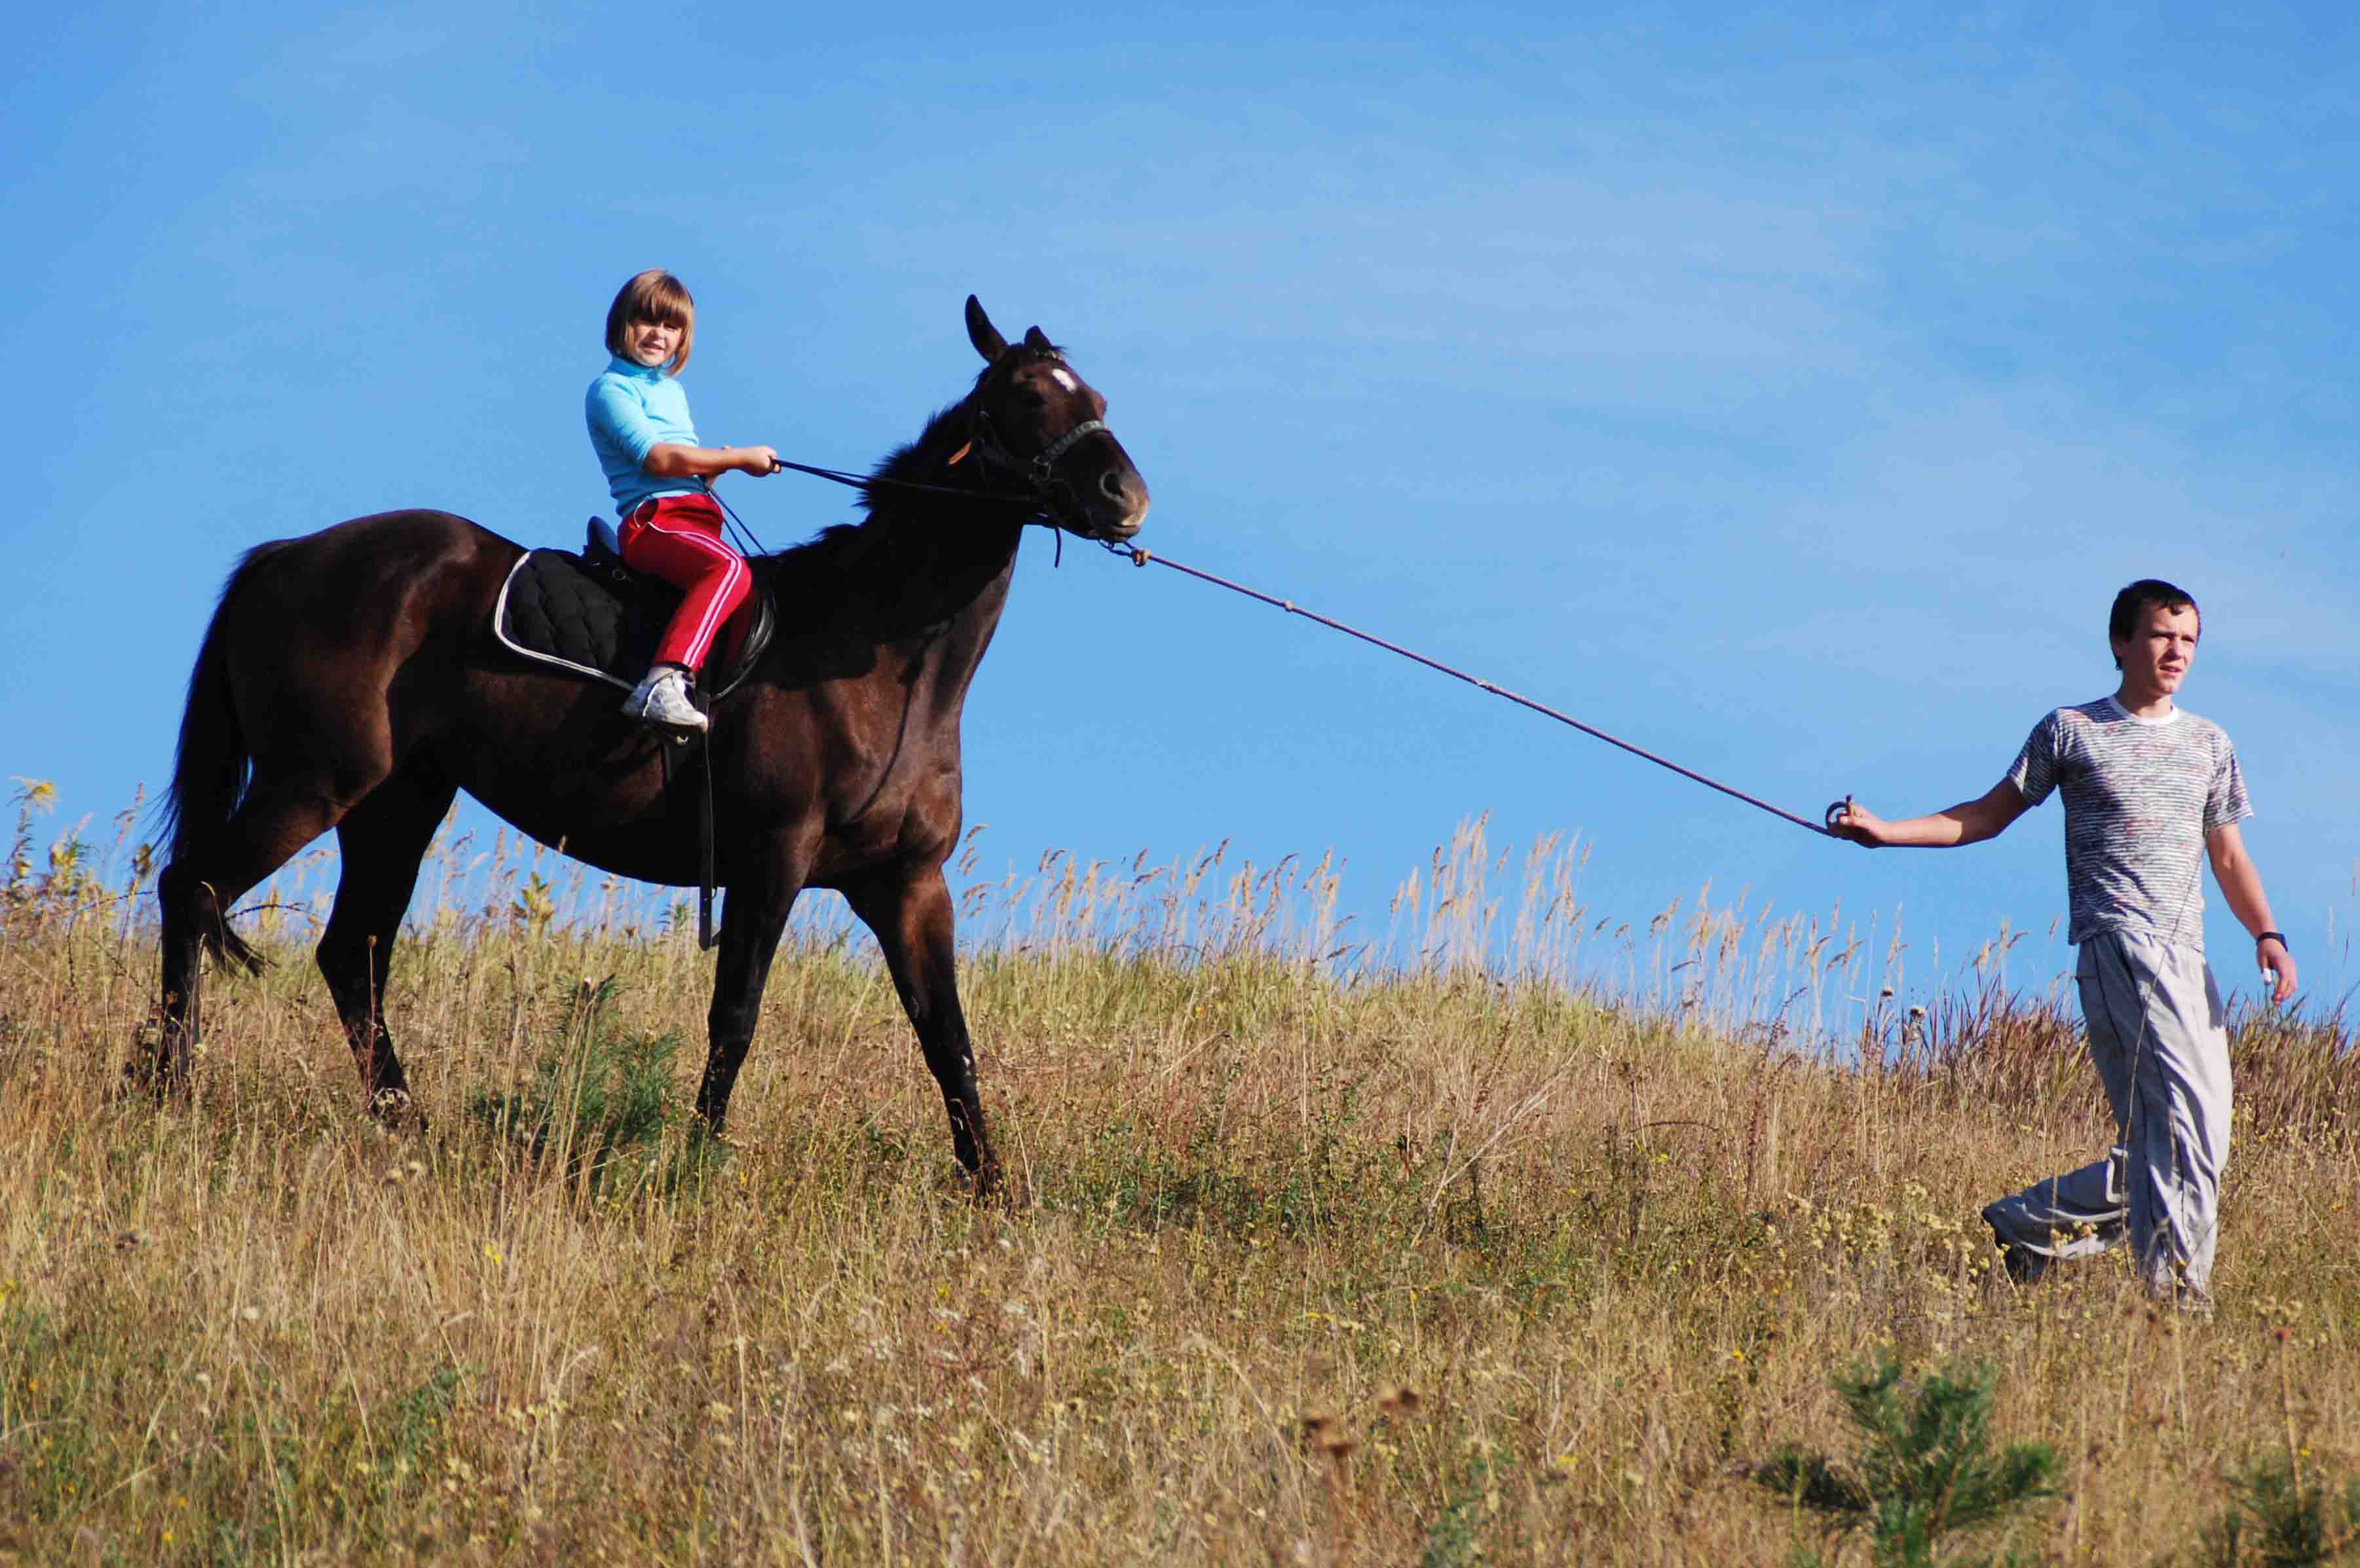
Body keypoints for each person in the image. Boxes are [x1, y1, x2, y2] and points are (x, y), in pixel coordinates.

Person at [1829, 579, 2296, 1312]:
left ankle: (2026, 1227)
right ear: (2121, 642)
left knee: (2196, 1136)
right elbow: (1985, 816)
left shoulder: (2209, 743)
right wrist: (1886, 832)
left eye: (2188, 640)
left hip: (2187, 954)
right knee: (2181, 1134)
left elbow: (2229, 856)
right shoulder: (2072, 730)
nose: (2176, 652)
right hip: (2120, 943)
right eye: (2161, 635)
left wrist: (2266, 933)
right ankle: (2175, 1303)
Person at [586, 269, 781, 732]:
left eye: (670, 326)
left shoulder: (671, 391)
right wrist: (736, 458)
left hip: (696, 518)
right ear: (622, 325)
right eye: (646, 321)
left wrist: (713, 470)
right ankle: (663, 682)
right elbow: (657, 460)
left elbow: (682, 464)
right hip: (655, 521)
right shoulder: (611, 389)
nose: (658, 334)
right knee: (729, 569)